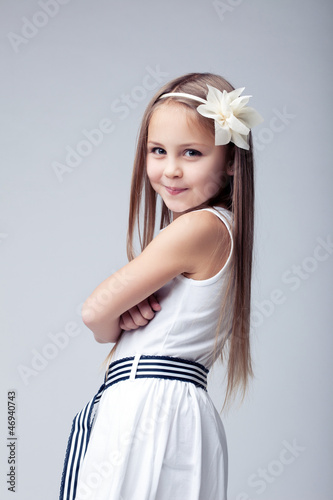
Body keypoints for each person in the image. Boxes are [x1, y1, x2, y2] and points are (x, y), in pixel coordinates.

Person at [59, 72, 263, 500]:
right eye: (158, 151)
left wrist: (112, 323)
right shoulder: (212, 229)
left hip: (151, 412)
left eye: (191, 152)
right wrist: (120, 315)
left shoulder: (201, 227)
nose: (170, 169)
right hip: (158, 408)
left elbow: (94, 312)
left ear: (230, 161)